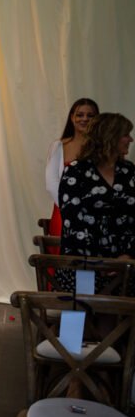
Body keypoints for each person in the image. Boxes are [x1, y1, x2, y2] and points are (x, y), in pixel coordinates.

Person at [59, 113, 135, 289]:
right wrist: (99, 263)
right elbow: (72, 221)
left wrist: (128, 255)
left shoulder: (129, 171)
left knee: (125, 314)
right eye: (126, 134)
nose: (130, 139)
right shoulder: (76, 171)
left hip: (125, 264)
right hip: (84, 261)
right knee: (76, 315)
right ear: (110, 136)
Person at [45, 98, 99, 249]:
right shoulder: (59, 146)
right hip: (64, 214)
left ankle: (85, 275)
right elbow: (51, 183)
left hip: (94, 215)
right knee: (67, 262)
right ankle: (65, 274)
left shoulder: (103, 148)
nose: (84, 119)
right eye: (80, 115)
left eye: (90, 115)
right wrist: (71, 208)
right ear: (72, 117)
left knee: (88, 262)